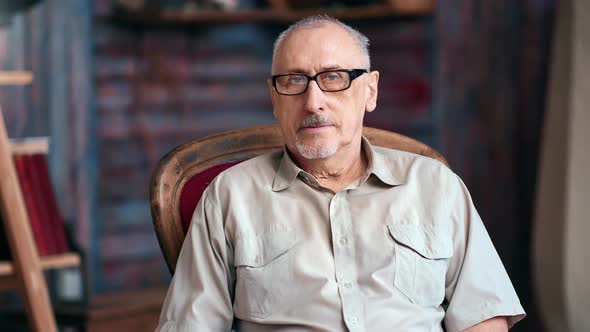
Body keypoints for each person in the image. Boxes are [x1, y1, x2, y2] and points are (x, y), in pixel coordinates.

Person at [155, 15, 525, 332]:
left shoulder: (436, 187)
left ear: (370, 90)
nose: (314, 101)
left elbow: (483, 319)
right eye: (294, 81)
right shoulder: (229, 196)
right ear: (274, 98)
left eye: (334, 77)